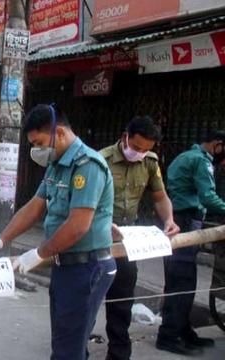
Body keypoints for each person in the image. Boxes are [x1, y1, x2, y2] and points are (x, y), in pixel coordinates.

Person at [0, 104, 116, 360]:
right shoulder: (57, 163)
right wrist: (0, 240)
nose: (37, 151)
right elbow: (34, 207)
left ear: (59, 132)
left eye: (39, 143)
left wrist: (39, 253)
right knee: (66, 341)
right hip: (66, 265)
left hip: (88, 267)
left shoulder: (88, 165)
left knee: (68, 349)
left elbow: (78, 225)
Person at [99, 116, 180, 360]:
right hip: (96, 237)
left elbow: (159, 196)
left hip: (127, 240)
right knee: (88, 299)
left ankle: (119, 353)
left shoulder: (150, 163)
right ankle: (77, 350)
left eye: (146, 150)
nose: (140, 153)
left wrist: (169, 220)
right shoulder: (100, 160)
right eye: (136, 147)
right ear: (125, 136)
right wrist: (103, 224)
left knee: (122, 300)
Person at [156, 130, 225, 355]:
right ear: (217, 145)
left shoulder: (185, 157)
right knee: (182, 282)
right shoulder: (201, 161)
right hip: (185, 221)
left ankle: (183, 331)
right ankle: (169, 335)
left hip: (176, 220)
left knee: (179, 280)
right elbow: (208, 197)